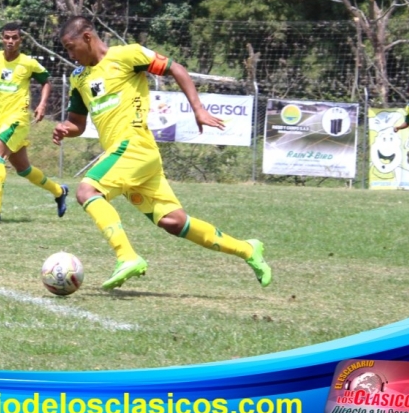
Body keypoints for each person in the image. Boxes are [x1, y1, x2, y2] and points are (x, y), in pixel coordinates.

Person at [53, 16, 272, 290]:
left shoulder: (128, 55)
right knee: (173, 222)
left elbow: (175, 68)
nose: (70, 55)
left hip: (134, 145)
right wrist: (65, 128)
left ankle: (127, 257)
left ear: (87, 37)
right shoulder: (79, 78)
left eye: (71, 47)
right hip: (131, 158)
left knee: (87, 191)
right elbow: (78, 123)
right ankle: (247, 250)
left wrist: (198, 109)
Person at [0, 22, 68, 223]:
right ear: (2, 38)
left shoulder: (28, 63)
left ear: (20, 40)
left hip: (18, 120)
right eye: (7, 37)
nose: (10, 41)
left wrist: (41, 105)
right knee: (24, 169)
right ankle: (59, 191)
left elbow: (46, 81)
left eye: (15, 37)